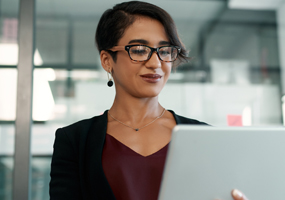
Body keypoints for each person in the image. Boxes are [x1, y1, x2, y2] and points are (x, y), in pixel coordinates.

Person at [49, 1, 248, 200]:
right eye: (138, 50)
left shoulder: (205, 137)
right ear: (107, 60)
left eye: (165, 51)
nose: (155, 63)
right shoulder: (74, 141)